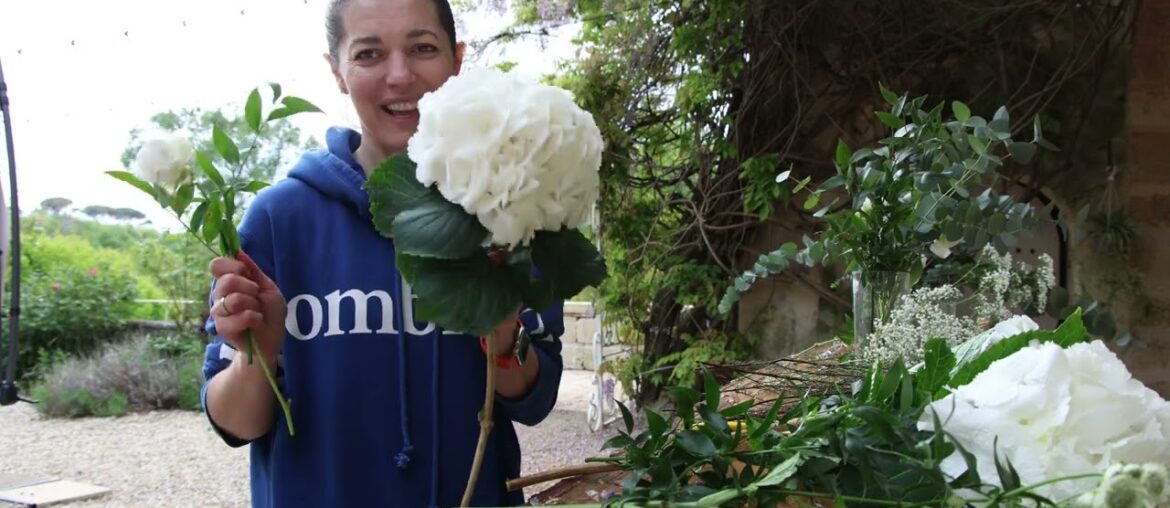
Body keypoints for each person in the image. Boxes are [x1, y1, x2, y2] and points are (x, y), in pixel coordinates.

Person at [199, 0, 565, 506]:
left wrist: (502, 336)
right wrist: (255, 357)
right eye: (368, 54)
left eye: (423, 48)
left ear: (457, 60)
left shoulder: (507, 205)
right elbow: (235, 423)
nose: (399, 75)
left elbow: (535, 400)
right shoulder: (278, 220)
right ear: (337, 71)